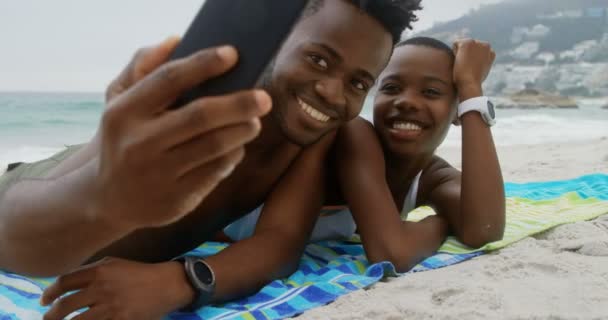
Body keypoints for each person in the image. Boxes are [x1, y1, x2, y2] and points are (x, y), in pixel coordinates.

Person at [0, 0, 422, 318]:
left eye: (358, 82)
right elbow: (12, 226)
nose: (332, 91)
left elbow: (278, 243)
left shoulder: (312, 136)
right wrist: (103, 194)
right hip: (32, 187)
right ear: (280, 40)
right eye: (318, 59)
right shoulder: (210, 95)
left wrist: (178, 281)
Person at [222, 37, 506, 273]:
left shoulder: (433, 178)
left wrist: (471, 87)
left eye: (431, 92)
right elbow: (391, 251)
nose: (406, 101)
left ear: (458, 112)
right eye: (391, 88)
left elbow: (485, 228)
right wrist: (438, 223)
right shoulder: (354, 134)